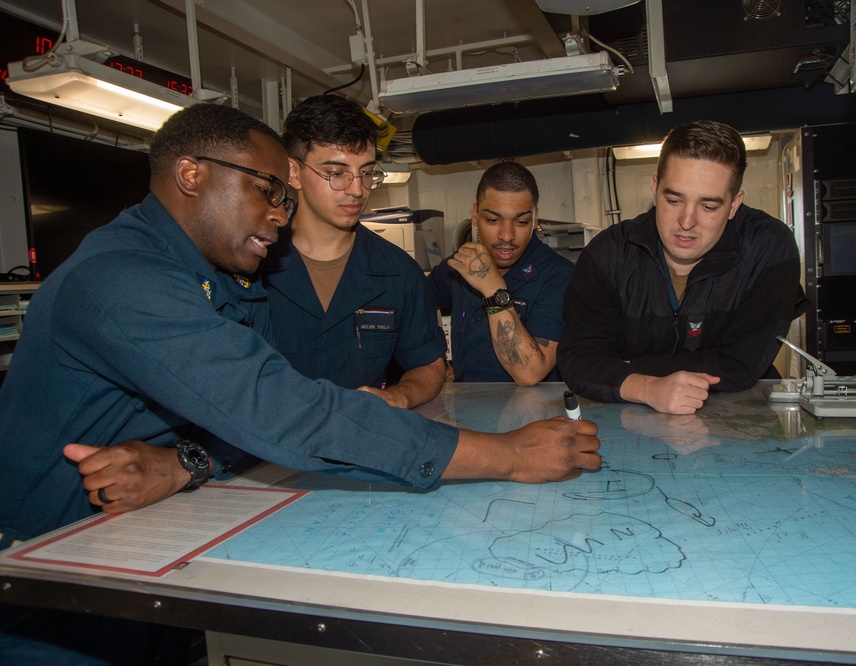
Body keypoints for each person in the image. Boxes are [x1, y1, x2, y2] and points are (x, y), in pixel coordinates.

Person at [0, 104, 600, 663]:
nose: (280, 214)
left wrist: (186, 463)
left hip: (145, 554)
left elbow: (232, 416)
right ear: (191, 174)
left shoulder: (217, 277)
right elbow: (283, 409)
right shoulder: (124, 279)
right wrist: (509, 453)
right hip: (50, 578)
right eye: (268, 191)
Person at [557, 119, 807, 415]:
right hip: (631, 418)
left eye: (709, 206)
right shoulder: (607, 254)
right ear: (655, 188)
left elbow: (743, 364)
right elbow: (578, 359)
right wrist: (648, 388)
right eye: (674, 200)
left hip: (743, 418)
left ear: (735, 204)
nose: (687, 222)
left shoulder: (769, 249)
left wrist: (629, 369)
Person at [260, 94, 445, 409]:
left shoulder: (399, 273)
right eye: (336, 173)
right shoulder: (253, 265)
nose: (357, 189)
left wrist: (398, 396)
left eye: (367, 172)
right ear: (293, 172)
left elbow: (429, 365)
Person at [428, 162, 574, 384]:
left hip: (536, 414)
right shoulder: (459, 266)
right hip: (465, 409)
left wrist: (493, 288)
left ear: (535, 219)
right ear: (475, 215)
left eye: (521, 221)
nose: (507, 235)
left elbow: (530, 373)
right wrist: (434, 360)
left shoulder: (558, 276)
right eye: (493, 220)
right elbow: (417, 304)